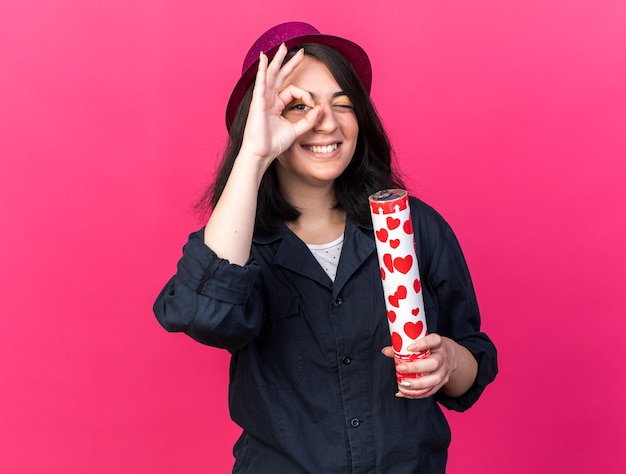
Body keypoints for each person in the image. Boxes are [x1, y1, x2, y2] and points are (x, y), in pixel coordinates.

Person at [154, 21, 498, 473]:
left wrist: (450, 361)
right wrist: (255, 154)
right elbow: (204, 315)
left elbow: (472, 356)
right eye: (298, 106)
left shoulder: (414, 227)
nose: (327, 123)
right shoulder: (240, 244)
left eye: (343, 104)